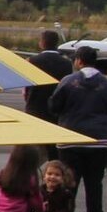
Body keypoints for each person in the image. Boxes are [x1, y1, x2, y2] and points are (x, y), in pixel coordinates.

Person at [50, 46, 107, 212]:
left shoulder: (68, 81)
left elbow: (54, 105)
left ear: (79, 61)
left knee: (68, 181)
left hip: (70, 137)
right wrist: (103, 124)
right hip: (99, 140)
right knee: (94, 182)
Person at [25, 30, 74, 158]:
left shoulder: (32, 61)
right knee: (54, 151)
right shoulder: (67, 63)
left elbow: (26, 87)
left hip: (34, 109)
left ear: (42, 43)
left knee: (31, 150)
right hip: (56, 112)